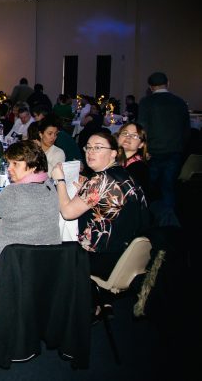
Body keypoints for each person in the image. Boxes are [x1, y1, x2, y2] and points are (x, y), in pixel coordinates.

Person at [51, 131, 148, 316]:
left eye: (98, 147)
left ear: (113, 153)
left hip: (101, 259)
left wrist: (60, 180)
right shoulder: (127, 176)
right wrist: (86, 188)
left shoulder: (100, 180)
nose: (90, 152)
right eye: (88, 147)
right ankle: (95, 303)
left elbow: (67, 212)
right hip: (125, 256)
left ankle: (63, 312)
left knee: (48, 250)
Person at [0, 141, 61, 278]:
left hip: (11, 267)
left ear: (33, 166)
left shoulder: (14, 192)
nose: (9, 168)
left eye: (16, 164)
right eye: (9, 163)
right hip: (45, 265)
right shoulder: (50, 187)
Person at [137, 71, 189, 226]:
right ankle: (169, 224)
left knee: (148, 188)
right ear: (168, 83)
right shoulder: (179, 102)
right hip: (174, 151)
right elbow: (186, 129)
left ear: (150, 87)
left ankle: (146, 220)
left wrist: (143, 150)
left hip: (153, 152)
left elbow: (143, 128)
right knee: (168, 187)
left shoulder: (146, 103)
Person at [117, 122, 151, 201]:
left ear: (141, 144)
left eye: (134, 136)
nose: (128, 137)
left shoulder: (138, 168)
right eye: (125, 133)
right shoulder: (113, 158)